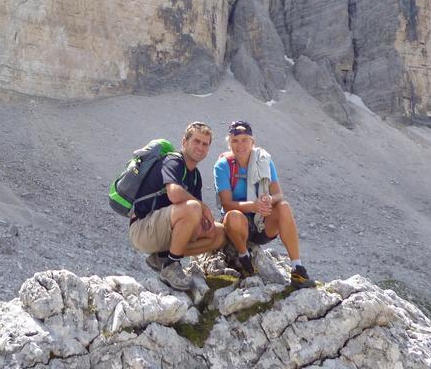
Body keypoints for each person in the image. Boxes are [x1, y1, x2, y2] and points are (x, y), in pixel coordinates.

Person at [128, 121, 227, 291]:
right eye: (196, 141)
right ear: (184, 142)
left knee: (218, 233)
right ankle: (171, 266)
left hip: (164, 229)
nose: (200, 147)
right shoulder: (173, 161)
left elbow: (194, 218)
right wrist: (203, 207)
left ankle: (162, 258)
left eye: (205, 144)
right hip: (143, 228)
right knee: (194, 207)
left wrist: (204, 224)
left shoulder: (195, 176)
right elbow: (174, 193)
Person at [214, 119, 312, 287]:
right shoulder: (223, 166)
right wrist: (253, 205)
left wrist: (269, 200)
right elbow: (226, 204)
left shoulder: (265, 161)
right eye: (235, 141)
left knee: (283, 207)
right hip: (238, 227)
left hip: (262, 222)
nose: (240, 145)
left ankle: (297, 268)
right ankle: (244, 259)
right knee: (234, 216)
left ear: (253, 141)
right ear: (229, 144)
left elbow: (279, 194)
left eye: (245, 140)